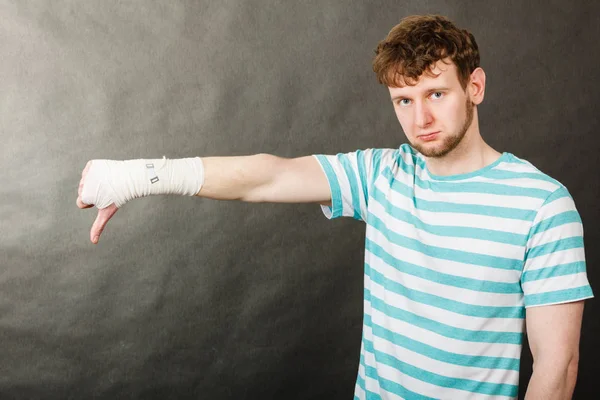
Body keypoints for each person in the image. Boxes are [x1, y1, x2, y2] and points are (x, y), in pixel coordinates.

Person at [76, 14, 593, 400]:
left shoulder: (542, 206)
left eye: (436, 94)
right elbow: (267, 175)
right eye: (404, 101)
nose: (420, 119)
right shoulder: (381, 176)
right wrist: (138, 176)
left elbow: (557, 364)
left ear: (474, 87)